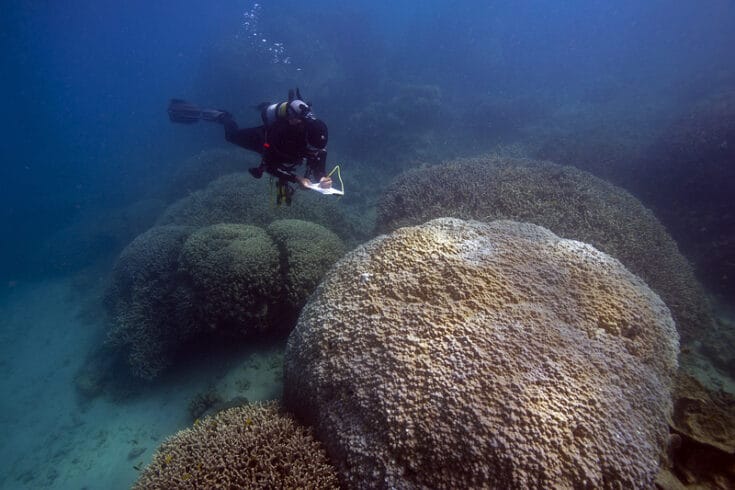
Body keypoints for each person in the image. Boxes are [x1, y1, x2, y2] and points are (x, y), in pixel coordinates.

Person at [168, 88, 331, 205]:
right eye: (312, 149)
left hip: (287, 151)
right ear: (304, 139)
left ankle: (263, 105)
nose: (315, 153)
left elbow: (318, 164)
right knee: (231, 136)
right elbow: (270, 165)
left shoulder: (317, 137)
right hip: (262, 139)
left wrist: (322, 178)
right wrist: (296, 179)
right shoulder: (281, 135)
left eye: (317, 150)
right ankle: (224, 117)